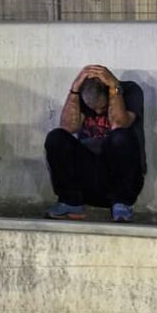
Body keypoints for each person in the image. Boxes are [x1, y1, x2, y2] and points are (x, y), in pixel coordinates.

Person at [44, 64, 146, 222]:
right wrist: (74, 89)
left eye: (103, 108)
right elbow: (68, 127)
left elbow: (119, 123)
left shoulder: (131, 90)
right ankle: (70, 202)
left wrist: (115, 87)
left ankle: (122, 204)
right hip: (88, 179)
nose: (98, 112)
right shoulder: (84, 93)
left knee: (120, 137)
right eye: (94, 109)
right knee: (56, 137)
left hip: (119, 178)